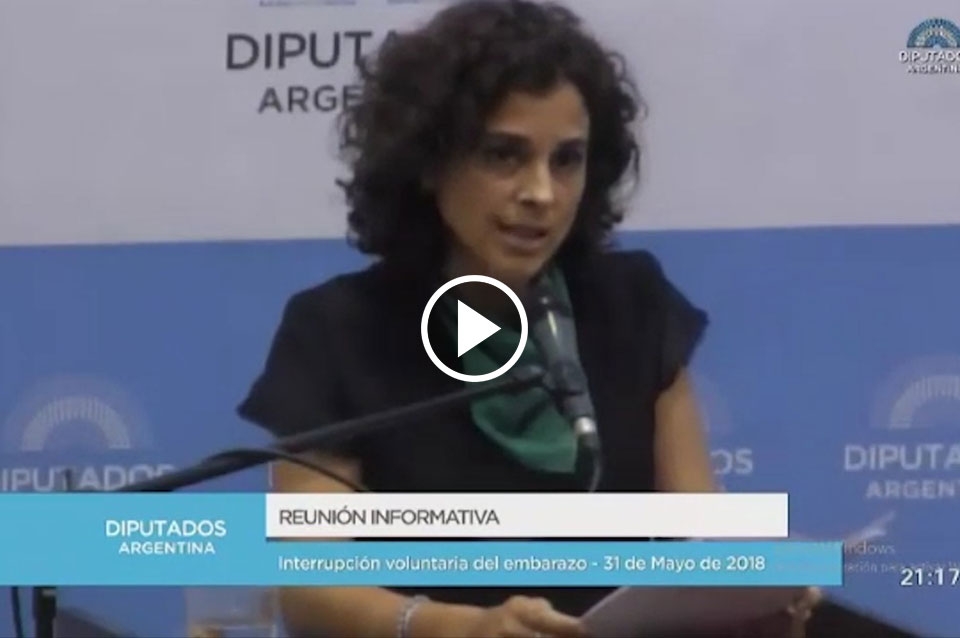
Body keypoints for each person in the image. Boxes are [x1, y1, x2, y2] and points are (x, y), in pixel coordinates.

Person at [237, 1, 821, 636]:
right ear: (429, 162)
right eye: (503, 155)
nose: (541, 193)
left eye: (566, 160)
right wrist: (461, 629)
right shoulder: (339, 330)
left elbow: (702, 536)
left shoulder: (632, 305)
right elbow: (309, 584)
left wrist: (752, 589)